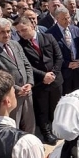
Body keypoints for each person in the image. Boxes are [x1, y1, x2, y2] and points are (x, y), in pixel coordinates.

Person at [16, 17, 64, 145]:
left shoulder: (48, 37)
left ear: (32, 25)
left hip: (55, 80)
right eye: (19, 32)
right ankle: (46, 133)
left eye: (23, 30)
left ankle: (57, 128)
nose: (22, 33)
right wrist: (43, 76)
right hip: (39, 82)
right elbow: (27, 65)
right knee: (42, 109)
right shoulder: (20, 45)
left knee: (56, 106)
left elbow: (58, 57)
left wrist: (53, 74)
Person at [0, 18, 35, 134]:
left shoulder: (15, 44)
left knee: (29, 122)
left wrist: (30, 83)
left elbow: (26, 64)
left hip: (27, 91)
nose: (6, 34)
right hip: (10, 94)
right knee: (13, 125)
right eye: (2, 32)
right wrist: (17, 88)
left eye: (8, 31)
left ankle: (31, 145)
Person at [47, 7, 79, 95]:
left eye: (68, 18)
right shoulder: (50, 33)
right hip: (64, 72)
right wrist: (66, 64)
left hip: (78, 70)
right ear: (57, 19)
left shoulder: (76, 29)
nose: (67, 20)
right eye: (64, 19)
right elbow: (52, 55)